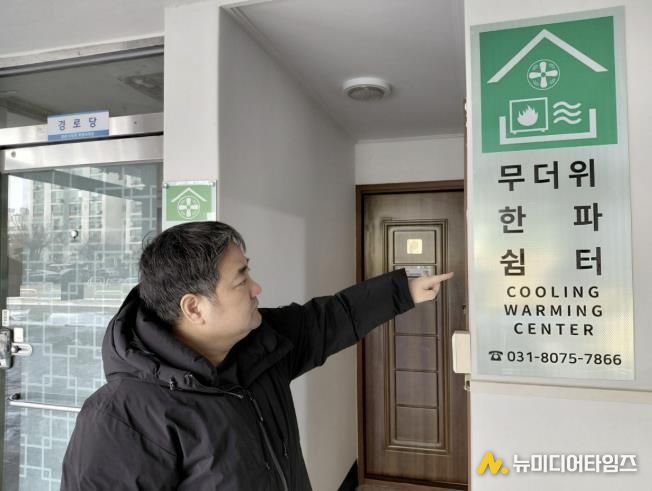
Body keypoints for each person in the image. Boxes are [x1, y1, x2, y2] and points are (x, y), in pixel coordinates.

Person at [61, 221, 453, 490]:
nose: (256, 288)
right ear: (194, 308)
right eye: (241, 279)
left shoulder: (261, 345)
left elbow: (329, 318)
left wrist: (404, 290)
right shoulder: (120, 418)